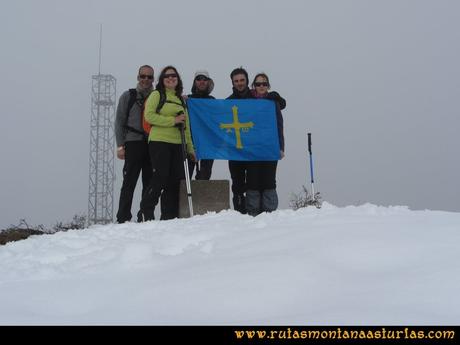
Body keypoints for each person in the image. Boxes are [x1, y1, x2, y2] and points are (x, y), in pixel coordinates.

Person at [138, 66, 196, 221]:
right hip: (159, 141)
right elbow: (149, 116)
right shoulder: (157, 95)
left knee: (175, 180)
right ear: (162, 80)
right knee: (160, 176)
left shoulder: (180, 100)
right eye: (167, 76)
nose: (171, 78)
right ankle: (146, 210)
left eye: (174, 76)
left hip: (178, 143)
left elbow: (187, 127)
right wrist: (173, 120)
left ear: (178, 79)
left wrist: (190, 148)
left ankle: (169, 216)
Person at [114, 65, 154, 223]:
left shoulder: (157, 96)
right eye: (143, 76)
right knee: (129, 182)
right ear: (138, 77)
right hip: (132, 143)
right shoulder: (128, 96)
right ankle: (123, 217)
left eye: (149, 77)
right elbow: (119, 122)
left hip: (152, 144)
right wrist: (120, 146)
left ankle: (145, 216)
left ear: (153, 79)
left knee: (149, 182)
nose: (145, 79)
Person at [246, 73, 285, 216]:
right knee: (252, 180)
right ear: (253, 86)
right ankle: (253, 211)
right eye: (258, 84)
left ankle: (269, 212)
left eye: (264, 84)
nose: (261, 86)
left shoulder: (273, 102)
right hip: (252, 148)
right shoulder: (247, 101)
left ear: (268, 85)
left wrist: (281, 147)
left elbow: (279, 126)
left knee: (269, 179)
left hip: (270, 147)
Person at [226, 67, 254, 214]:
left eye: (242, 80)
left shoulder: (257, 100)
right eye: (236, 81)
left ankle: (253, 211)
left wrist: (275, 97)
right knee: (237, 183)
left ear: (247, 81)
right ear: (232, 82)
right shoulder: (228, 102)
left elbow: (280, 104)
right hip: (235, 150)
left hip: (253, 150)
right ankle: (239, 213)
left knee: (253, 183)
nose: (239, 83)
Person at [187, 70, 215, 180]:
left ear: (208, 82)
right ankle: (185, 197)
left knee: (205, 177)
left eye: (204, 79)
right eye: (199, 79)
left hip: (208, 143)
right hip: (190, 142)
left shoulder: (213, 101)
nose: (202, 82)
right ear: (195, 82)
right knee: (185, 177)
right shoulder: (187, 99)